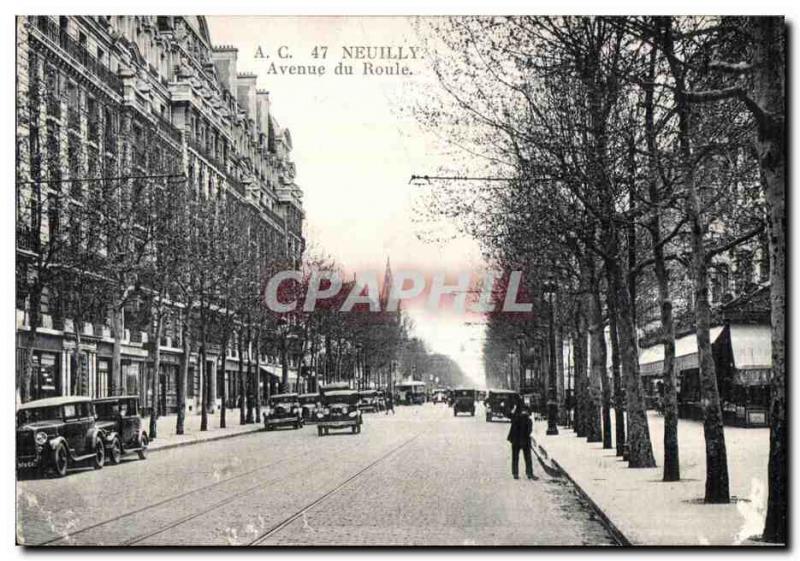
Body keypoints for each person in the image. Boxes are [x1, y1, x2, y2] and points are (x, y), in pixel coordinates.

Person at [507, 404, 537, 480]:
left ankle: (515, 473)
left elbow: (512, 427)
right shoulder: (529, 421)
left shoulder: (515, 418)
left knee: (515, 457)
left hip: (515, 441)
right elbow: (529, 431)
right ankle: (529, 473)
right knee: (528, 458)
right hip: (525, 441)